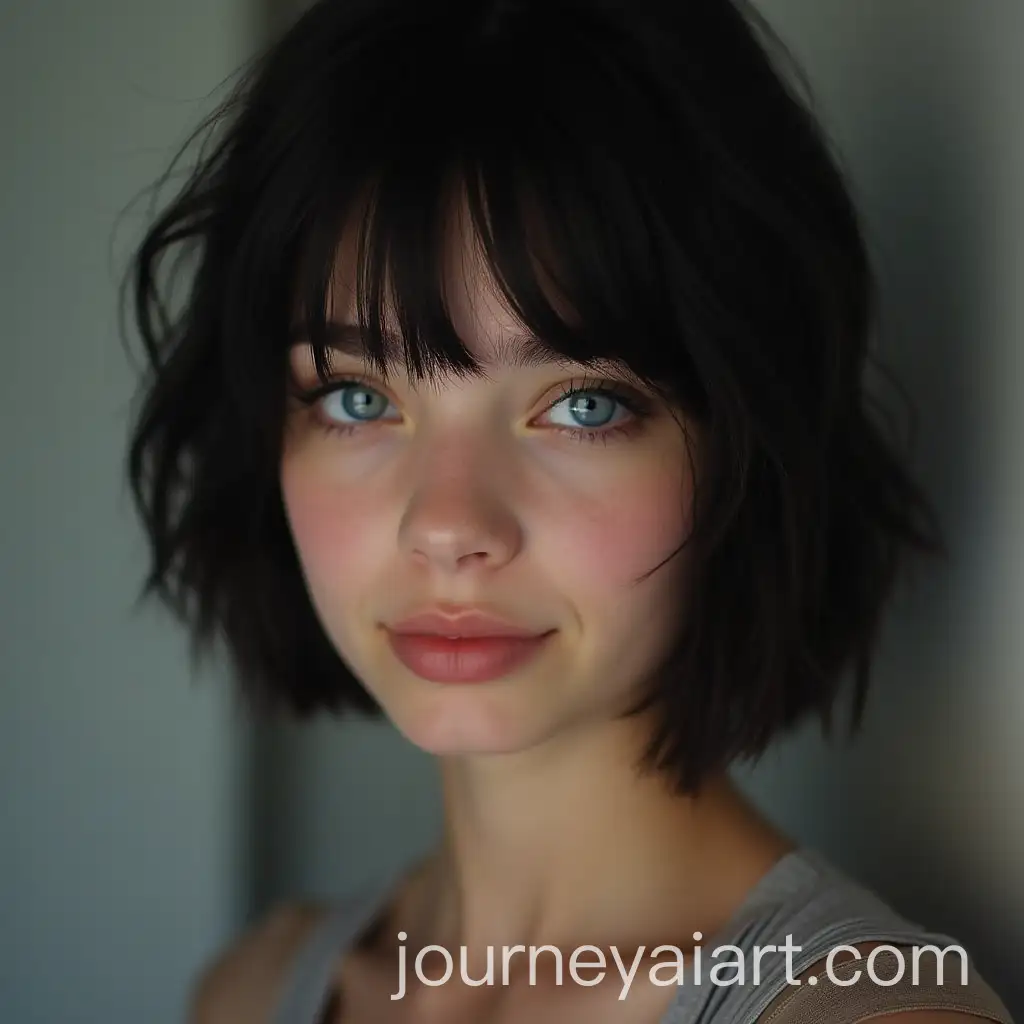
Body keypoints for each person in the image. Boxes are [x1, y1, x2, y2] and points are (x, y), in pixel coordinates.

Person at [123, 1, 1014, 1022]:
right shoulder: (250, 992)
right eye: (358, 398)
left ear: (744, 446)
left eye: (582, 406)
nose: (446, 525)